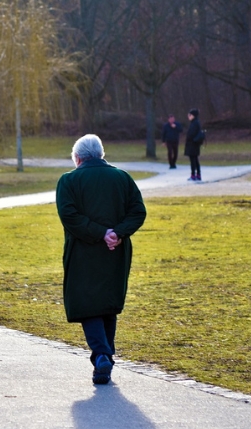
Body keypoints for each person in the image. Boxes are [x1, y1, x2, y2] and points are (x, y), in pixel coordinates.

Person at [55, 134, 147, 385]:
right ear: (101, 154)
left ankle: (102, 355)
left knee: (88, 304)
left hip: (83, 251)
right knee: (108, 302)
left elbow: (69, 215)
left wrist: (99, 233)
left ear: (77, 158)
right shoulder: (122, 178)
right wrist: (116, 233)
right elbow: (138, 211)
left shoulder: (68, 181)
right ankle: (104, 356)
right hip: (115, 250)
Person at [184, 108, 205, 181]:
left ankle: (193, 175)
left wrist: (189, 139)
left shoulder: (194, 123)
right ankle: (198, 175)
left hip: (192, 144)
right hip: (194, 144)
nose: (188, 116)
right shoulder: (195, 122)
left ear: (193, 115)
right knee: (195, 160)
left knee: (193, 160)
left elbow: (191, 134)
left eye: (190, 115)